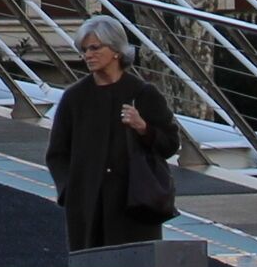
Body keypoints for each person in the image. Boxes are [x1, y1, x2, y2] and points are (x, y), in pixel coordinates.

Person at [44, 13, 183, 251]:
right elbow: (57, 153)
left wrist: (143, 128)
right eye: (85, 49)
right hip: (88, 207)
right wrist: (71, 191)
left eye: (95, 48)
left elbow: (170, 144)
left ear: (116, 50)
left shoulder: (143, 94)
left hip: (134, 205)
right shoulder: (75, 98)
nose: (88, 55)